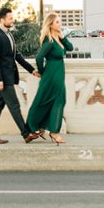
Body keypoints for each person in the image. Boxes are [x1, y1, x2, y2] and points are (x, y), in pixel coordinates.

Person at [0, 8, 42, 144]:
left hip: (9, 77)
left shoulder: (9, 34)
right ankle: (26, 134)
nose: (13, 20)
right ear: (2, 20)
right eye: (10, 18)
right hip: (4, 79)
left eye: (12, 18)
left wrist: (32, 70)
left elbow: (17, 56)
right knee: (14, 105)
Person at [26, 13, 73, 144]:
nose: (60, 24)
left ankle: (44, 128)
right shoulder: (49, 41)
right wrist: (41, 72)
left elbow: (70, 48)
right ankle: (53, 132)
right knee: (54, 100)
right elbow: (39, 58)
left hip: (58, 73)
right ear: (50, 24)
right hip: (52, 75)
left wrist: (63, 37)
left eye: (60, 22)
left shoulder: (58, 38)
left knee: (57, 101)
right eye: (57, 22)